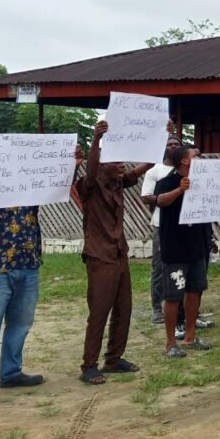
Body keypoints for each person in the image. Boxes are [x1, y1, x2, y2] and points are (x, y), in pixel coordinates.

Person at [0, 148, 71, 405]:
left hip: (29, 263)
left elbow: (58, 183)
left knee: (21, 323)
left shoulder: (31, 191)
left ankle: (10, 372)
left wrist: (72, 162)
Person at [77, 121, 153, 384]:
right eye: (116, 161)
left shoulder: (118, 182)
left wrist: (160, 136)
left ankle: (114, 358)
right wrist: (96, 140)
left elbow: (144, 167)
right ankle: (89, 365)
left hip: (120, 254)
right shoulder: (89, 187)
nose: (122, 164)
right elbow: (92, 167)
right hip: (100, 256)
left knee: (124, 308)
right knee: (99, 311)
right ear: (103, 165)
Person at [155, 145, 220, 356]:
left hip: (197, 247)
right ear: (185, 161)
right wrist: (180, 190)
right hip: (175, 249)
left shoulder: (204, 182)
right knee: (173, 296)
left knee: (195, 291)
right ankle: (170, 343)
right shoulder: (167, 181)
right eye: (196, 156)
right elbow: (160, 201)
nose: (200, 159)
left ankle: (190, 337)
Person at [140, 134, 182, 324]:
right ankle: (157, 308)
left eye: (177, 144)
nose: (173, 146)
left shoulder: (185, 170)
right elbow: (146, 196)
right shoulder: (155, 171)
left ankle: (182, 308)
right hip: (162, 225)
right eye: (169, 144)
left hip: (184, 225)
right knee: (159, 267)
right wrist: (162, 199)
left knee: (184, 266)